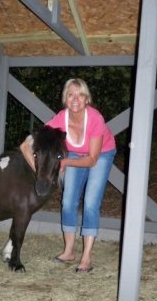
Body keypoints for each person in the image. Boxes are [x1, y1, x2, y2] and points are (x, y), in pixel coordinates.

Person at [20, 78, 116, 273]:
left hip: (100, 155)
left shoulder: (95, 119)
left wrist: (64, 162)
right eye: (71, 94)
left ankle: (86, 257)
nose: (75, 99)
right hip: (74, 155)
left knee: (90, 202)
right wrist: (40, 170)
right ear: (65, 98)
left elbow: (91, 159)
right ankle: (69, 251)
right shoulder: (60, 119)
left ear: (87, 99)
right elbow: (25, 146)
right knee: (68, 202)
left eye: (80, 94)